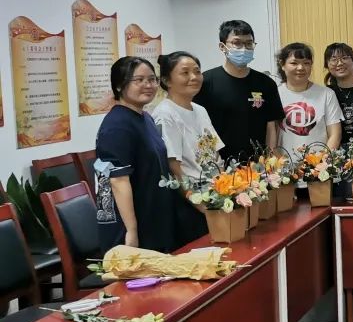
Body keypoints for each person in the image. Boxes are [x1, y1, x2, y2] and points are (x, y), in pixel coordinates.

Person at [95, 57, 176, 253]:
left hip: (151, 211)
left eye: (152, 79)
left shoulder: (144, 117)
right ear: (119, 85)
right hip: (130, 221)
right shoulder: (117, 125)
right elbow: (117, 181)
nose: (148, 85)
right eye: (139, 80)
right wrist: (131, 231)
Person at [152, 51, 223, 246]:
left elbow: (214, 152)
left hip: (214, 195)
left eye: (197, 71)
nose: (194, 77)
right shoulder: (165, 114)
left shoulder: (199, 109)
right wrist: (201, 206)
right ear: (166, 80)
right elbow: (174, 167)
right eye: (185, 72)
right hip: (190, 202)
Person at [194, 20, 285, 163]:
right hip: (219, 164)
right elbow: (199, 126)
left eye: (249, 43)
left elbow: (271, 126)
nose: (244, 49)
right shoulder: (206, 82)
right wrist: (212, 164)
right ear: (222, 46)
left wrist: (269, 160)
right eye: (237, 43)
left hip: (258, 166)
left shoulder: (266, 83)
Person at [276, 43, 343, 156]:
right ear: (282, 64)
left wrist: (322, 162)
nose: (301, 68)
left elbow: (335, 134)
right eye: (294, 63)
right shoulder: (274, 94)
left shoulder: (327, 94)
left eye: (306, 63)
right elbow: (271, 135)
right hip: (282, 163)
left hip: (318, 164)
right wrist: (277, 162)